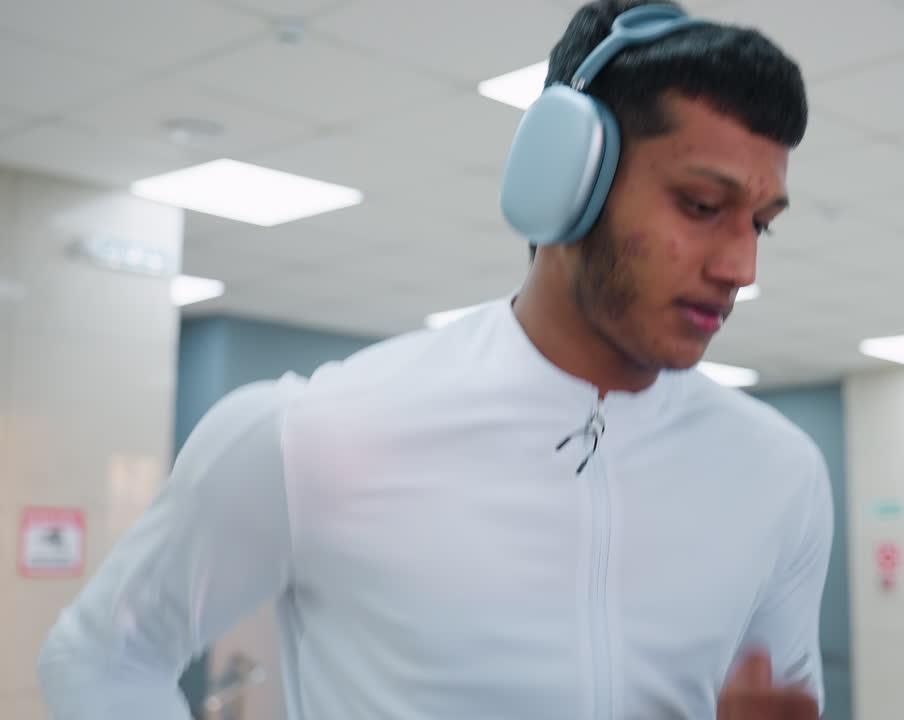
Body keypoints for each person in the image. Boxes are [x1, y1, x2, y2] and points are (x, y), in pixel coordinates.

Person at [37, 1, 833, 718]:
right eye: (701, 207)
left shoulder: (777, 475)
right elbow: (102, 660)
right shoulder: (312, 435)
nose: (740, 267)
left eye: (761, 223)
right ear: (568, 180)